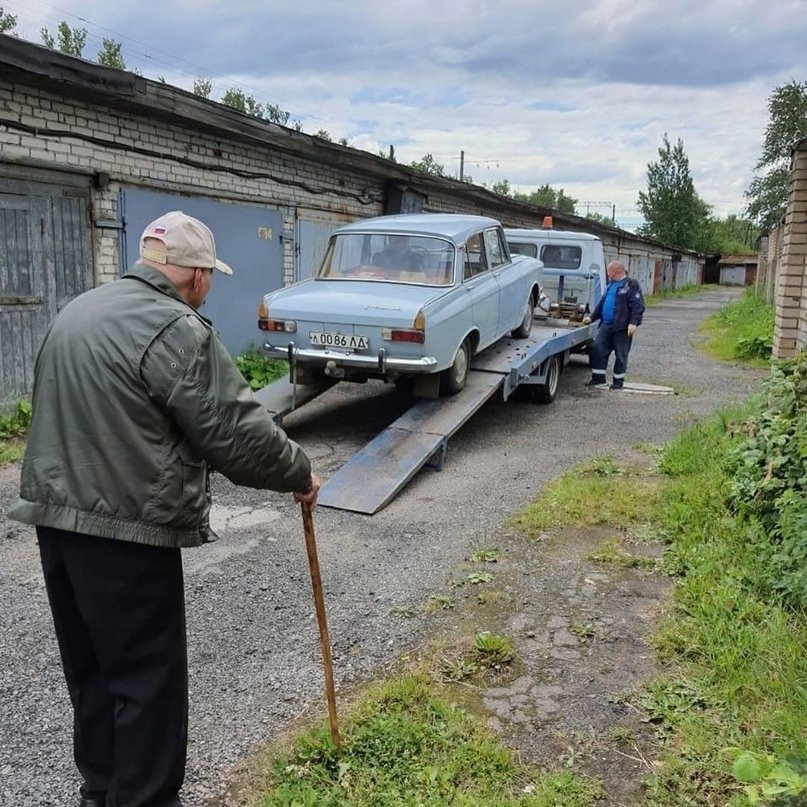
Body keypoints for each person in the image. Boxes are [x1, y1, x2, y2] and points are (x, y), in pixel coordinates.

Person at [8, 211, 321, 807]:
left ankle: (101, 792)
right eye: (209, 274)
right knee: (148, 685)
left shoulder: (77, 311)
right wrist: (299, 474)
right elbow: (235, 433)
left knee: (94, 675)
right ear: (197, 275)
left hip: (56, 525)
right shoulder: (173, 328)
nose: (209, 285)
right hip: (127, 533)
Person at [583, 260, 645, 390]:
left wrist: (633, 323)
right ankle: (598, 379)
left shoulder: (631, 285)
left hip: (622, 328)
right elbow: (602, 303)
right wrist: (592, 317)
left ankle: (618, 382)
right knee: (598, 350)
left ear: (615, 271)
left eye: (609, 271)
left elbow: (638, 306)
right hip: (606, 326)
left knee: (621, 355)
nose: (608, 274)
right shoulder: (611, 285)